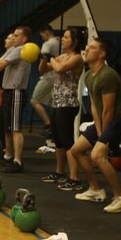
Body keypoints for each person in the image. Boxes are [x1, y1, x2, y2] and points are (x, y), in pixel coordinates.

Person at [68, 38, 121, 213]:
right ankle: (95, 189)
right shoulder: (89, 75)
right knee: (76, 150)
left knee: (97, 155)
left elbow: (109, 110)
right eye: (87, 46)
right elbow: (95, 106)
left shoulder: (108, 75)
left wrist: (104, 139)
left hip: (119, 120)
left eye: (92, 48)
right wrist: (99, 131)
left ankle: (120, 198)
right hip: (104, 120)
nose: (86, 50)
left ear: (102, 54)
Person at [0, 26, 33, 172]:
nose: (13, 37)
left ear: (24, 39)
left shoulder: (21, 50)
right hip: (8, 92)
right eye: (13, 35)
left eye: (16, 35)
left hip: (16, 92)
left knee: (15, 128)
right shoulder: (12, 49)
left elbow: (1, 65)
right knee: (7, 128)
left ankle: (18, 161)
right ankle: (8, 156)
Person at [41, 26, 84, 189]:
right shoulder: (62, 56)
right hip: (57, 103)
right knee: (58, 140)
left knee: (67, 141)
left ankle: (75, 178)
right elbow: (43, 69)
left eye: (66, 37)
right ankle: (59, 173)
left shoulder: (76, 58)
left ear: (75, 41)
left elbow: (58, 68)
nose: (63, 40)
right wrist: (42, 59)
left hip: (69, 103)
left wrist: (50, 57)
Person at [29, 24, 58, 141]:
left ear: (46, 33)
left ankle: (49, 124)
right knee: (53, 104)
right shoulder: (59, 42)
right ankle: (54, 127)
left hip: (49, 75)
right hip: (57, 75)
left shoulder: (48, 44)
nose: (42, 39)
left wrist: (41, 69)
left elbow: (43, 59)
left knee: (35, 100)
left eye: (42, 36)